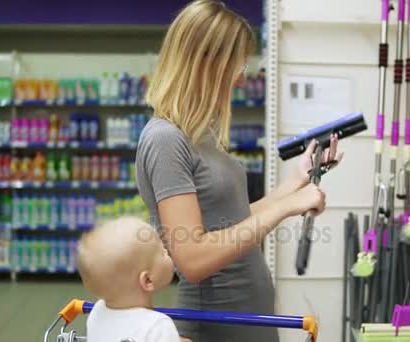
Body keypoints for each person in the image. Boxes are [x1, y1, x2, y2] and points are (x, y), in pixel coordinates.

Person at [136, 1, 343, 341]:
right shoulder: (165, 140)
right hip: (215, 325)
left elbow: (233, 221)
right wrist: (285, 207)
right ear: (205, 60)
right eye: (237, 61)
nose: (242, 74)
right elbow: (192, 257)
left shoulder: (201, 136)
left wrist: (297, 181)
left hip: (247, 319)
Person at [78, 216, 182, 342]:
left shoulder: (97, 311)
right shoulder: (159, 327)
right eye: (162, 252)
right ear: (147, 280)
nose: (167, 251)